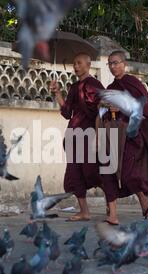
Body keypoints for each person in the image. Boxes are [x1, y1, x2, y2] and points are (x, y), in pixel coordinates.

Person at [100, 50, 148, 225]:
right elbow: (103, 114)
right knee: (111, 172)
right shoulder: (110, 89)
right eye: (110, 63)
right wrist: (105, 109)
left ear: (124, 64)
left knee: (130, 176)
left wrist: (122, 109)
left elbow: (144, 109)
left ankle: (145, 204)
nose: (113, 66)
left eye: (115, 62)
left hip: (134, 137)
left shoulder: (133, 83)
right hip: (116, 137)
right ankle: (114, 213)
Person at [50, 53, 105, 222]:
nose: (76, 66)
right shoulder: (74, 88)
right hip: (73, 135)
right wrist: (58, 93)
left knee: (95, 171)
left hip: (89, 134)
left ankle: (111, 206)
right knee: (75, 173)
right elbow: (67, 113)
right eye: (74, 63)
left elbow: (101, 112)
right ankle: (84, 211)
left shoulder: (95, 85)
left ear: (88, 65)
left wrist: (99, 137)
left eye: (79, 63)